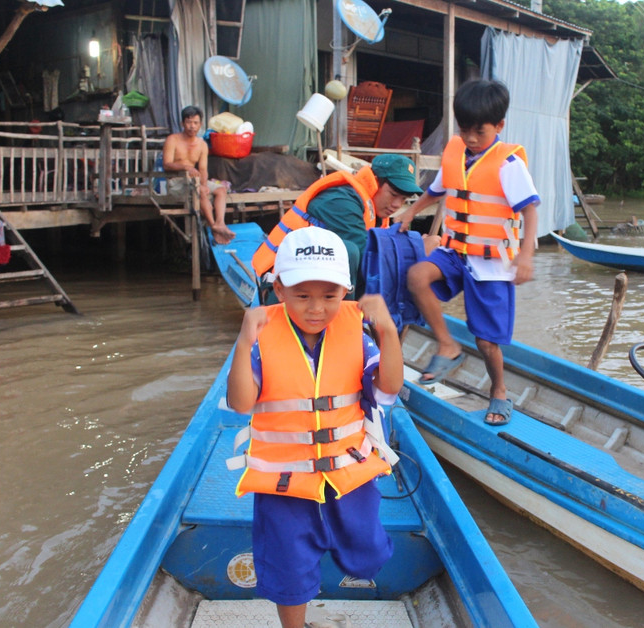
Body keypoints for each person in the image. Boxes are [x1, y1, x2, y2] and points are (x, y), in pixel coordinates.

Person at [227, 226, 403, 628]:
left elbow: (390, 385)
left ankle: (330, 557)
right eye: (302, 295)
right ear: (279, 290)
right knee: (289, 565)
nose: (316, 309)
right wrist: (242, 341)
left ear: (346, 292)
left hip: (349, 469)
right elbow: (240, 403)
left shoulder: (356, 332)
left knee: (369, 554)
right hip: (285, 479)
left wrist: (388, 330)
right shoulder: (262, 335)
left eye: (330, 296)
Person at [396, 79, 540, 426]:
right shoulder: (456, 153)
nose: (471, 138)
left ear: (499, 126)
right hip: (457, 251)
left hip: (492, 264)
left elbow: (531, 210)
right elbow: (434, 191)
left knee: (487, 342)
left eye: (480, 131)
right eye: (465, 130)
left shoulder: (508, 164)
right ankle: (447, 345)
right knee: (416, 277)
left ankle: (500, 391)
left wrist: (525, 256)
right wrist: (411, 212)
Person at [251, 153, 424, 301]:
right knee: (350, 251)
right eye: (393, 194)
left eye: (403, 199)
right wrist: (417, 253)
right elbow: (368, 260)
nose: (396, 205)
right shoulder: (341, 201)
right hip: (282, 288)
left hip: (314, 283)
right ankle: (347, 320)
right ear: (375, 183)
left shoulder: (375, 211)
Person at [162, 105, 234, 244]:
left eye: (195, 123)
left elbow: (203, 169)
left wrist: (204, 183)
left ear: (200, 124)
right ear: (182, 123)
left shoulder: (202, 144)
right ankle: (214, 226)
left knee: (220, 189)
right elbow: (167, 164)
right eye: (189, 122)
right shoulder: (173, 139)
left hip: (194, 181)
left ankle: (220, 223)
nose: (192, 126)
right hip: (176, 181)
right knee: (200, 191)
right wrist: (186, 167)